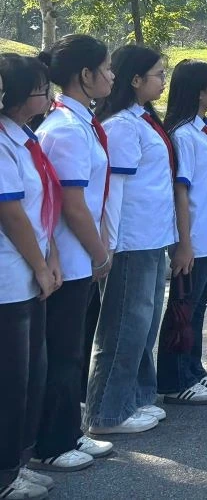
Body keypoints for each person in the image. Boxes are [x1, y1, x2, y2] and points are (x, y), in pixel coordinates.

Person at [83, 46, 177, 434]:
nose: (163, 80)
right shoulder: (122, 124)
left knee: (144, 323)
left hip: (153, 237)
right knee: (123, 327)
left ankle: (135, 397)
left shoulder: (142, 118)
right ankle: (106, 412)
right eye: (158, 73)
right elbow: (114, 190)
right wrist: (110, 244)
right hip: (131, 241)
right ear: (135, 79)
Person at [32, 36, 115, 471]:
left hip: (78, 256)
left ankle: (68, 432)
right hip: (67, 256)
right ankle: (52, 443)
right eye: (107, 67)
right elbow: (72, 202)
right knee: (61, 351)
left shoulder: (79, 122)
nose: (112, 76)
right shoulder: (64, 129)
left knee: (71, 348)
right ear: (86, 75)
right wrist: (101, 253)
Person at [156, 60, 207, 405]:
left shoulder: (202, 128)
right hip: (196, 237)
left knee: (199, 307)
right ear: (199, 91)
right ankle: (174, 380)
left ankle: (192, 369)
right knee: (183, 309)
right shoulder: (183, 134)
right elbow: (181, 191)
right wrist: (184, 244)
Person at [0, 54, 59, 498]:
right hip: (10, 277)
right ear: (20, 96)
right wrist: (40, 265)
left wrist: (49, 257)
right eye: (41, 88)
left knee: (30, 374)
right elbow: (12, 212)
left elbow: (44, 209)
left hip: (30, 270)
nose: (48, 95)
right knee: (11, 379)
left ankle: (16, 462)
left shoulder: (24, 137)